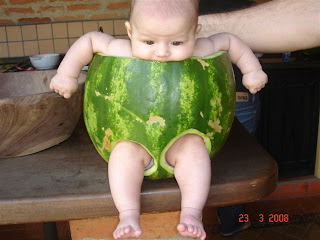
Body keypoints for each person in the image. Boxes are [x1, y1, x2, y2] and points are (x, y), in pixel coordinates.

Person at [50, 0, 267, 239]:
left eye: (176, 42)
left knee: (195, 151)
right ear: (130, 31)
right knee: (122, 154)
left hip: (181, 143)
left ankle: (192, 212)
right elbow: (89, 40)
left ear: (195, 32)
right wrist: (66, 74)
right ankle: (128, 212)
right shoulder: (117, 47)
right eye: (149, 41)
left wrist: (252, 70)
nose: (162, 51)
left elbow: (230, 41)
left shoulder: (203, 47)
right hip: (134, 143)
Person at [198, 0, 319, 236]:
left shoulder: (179, 10)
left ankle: (192, 218)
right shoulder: (243, 6)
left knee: (191, 156)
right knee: (233, 163)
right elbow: (257, 49)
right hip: (240, 94)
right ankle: (232, 222)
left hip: (194, 100)